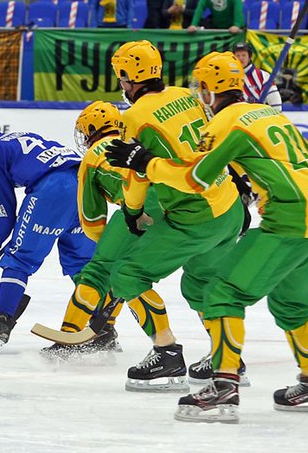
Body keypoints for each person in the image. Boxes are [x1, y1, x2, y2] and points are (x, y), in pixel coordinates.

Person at [105, 51, 308, 423]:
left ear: (210, 92)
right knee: (291, 305)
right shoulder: (269, 113)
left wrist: (143, 161)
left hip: (288, 218)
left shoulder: (226, 123)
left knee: (223, 293)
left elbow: (193, 179)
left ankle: (224, 387)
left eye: (202, 89)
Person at [105, 40, 247, 392]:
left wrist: (132, 213)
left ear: (128, 77)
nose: (121, 84)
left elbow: (137, 174)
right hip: (229, 205)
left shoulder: (134, 116)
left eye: (121, 77)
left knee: (127, 274)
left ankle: (166, 355)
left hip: (194, 215)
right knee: (200, 284)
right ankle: (228, 357)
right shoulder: (188, 94)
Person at [0, 112, 96, 354]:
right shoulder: (17, 138)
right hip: (85, 186)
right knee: (82, 264)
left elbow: (4, 211)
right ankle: (102, 328)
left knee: (19, 258)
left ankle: (0, 326)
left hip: (54, 190)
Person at [41, 101, 174, 361]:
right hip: (177, 205)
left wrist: (107, 248)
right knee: (131, 276)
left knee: (97, 272)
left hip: (141, 209)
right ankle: (216, 356)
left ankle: (69, 336)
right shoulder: (133, 139)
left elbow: (91, 217)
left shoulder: (92, 157)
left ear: (92, 129)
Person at [232, 42, 282, 111]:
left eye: (244, 55)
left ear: (250, 57)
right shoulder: (229, 76)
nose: (241, 58)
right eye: (238, 55)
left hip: (259, 119)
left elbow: (275, 103)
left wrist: (276, 118)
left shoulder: (263, 76)